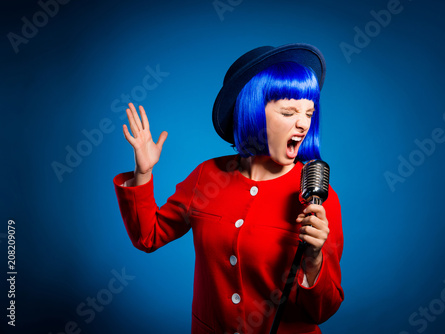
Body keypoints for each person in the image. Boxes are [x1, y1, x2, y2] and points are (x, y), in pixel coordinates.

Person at [113, 43, 344, 333]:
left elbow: (321, 311)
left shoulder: (318, 198)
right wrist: (143, 173)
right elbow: (148, 236)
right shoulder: (207, 176)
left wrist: (314, 259)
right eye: (288, 112)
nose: (302, 125)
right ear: (253, 113)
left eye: (309, 113)